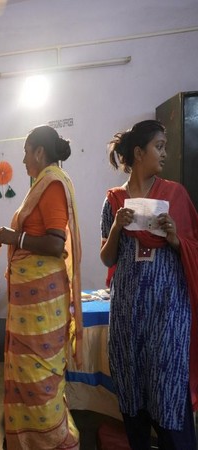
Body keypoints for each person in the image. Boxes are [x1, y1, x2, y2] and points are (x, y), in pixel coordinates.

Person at [100, 119, 198, 449]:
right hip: (127, 316)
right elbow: (107, 259)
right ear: (139, 153)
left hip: (168, 313)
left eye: (165, 147)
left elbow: (193, 244)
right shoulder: (114, 201)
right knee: (131, 386)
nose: (164, 153)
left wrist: (174, 238)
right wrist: (117, 227)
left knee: (168, 386)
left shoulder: (175, 195)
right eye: (159, 146)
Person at [0, 125, 82, 449]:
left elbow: (55, 242)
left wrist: (13, 237)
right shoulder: (43, 185)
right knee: (29, 381)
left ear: (39, 152)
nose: (22, 160)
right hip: (33, 307)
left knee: (39, 385)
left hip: (43, 306)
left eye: (25, 152)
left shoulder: (52, 185)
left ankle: (51, 441)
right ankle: (29, 439)